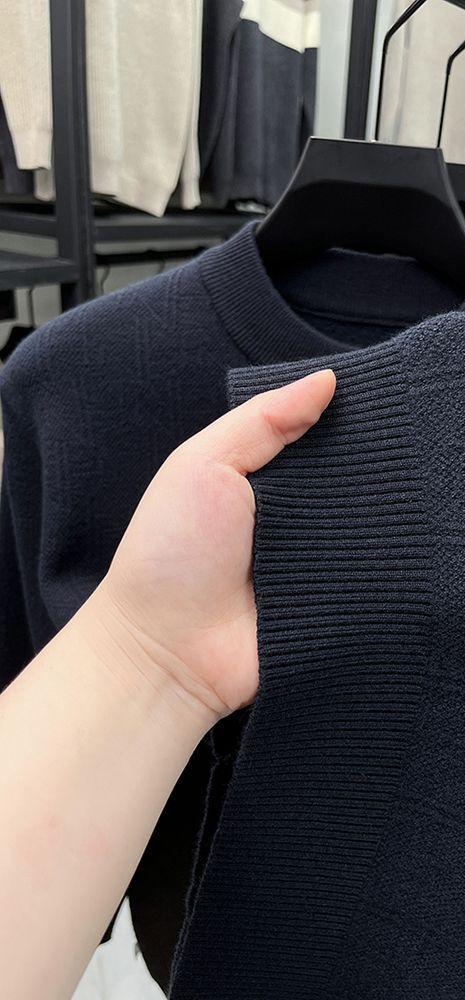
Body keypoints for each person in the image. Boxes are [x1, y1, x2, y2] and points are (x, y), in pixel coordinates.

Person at [0, 369, 337, 1000]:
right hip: (180, 917)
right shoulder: (63, 374)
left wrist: (148, 648)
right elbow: (22, 628)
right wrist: (148, 643)